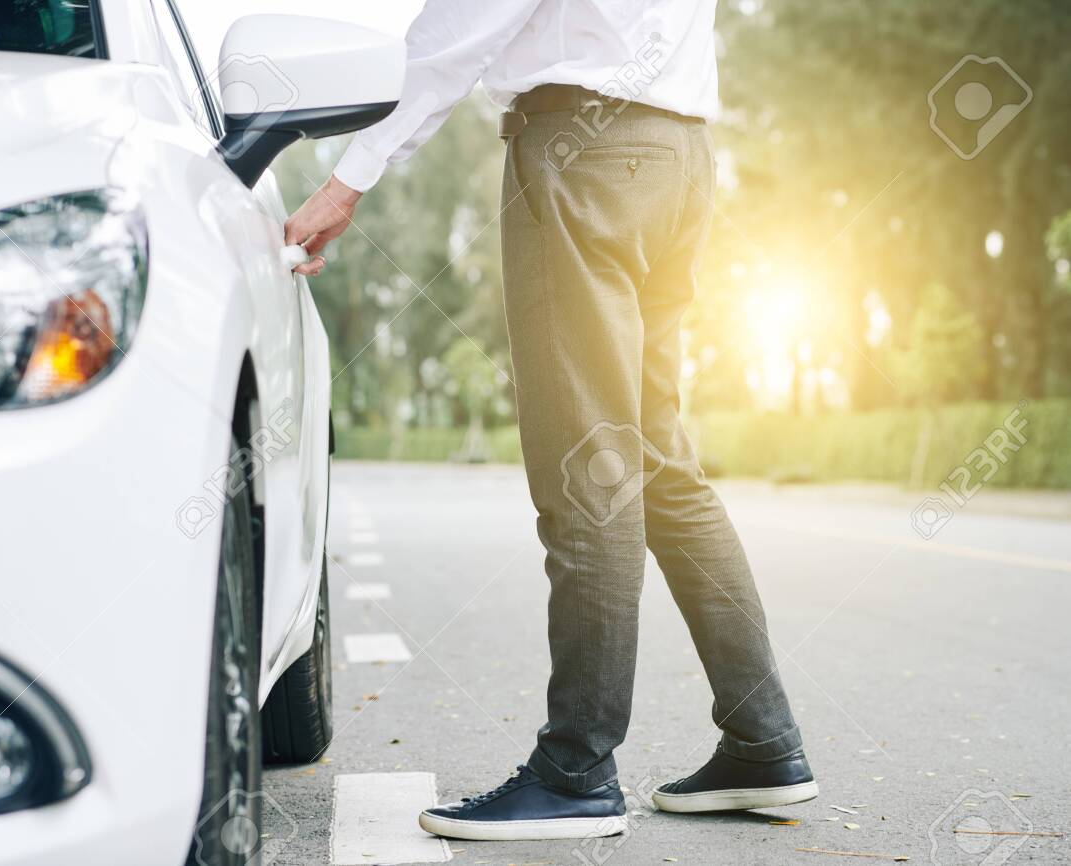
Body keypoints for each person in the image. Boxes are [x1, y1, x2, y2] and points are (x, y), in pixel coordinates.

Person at [284, 0, 818, 842]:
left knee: (589, 460)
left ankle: (576, 772)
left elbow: (455, 34)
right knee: (658, 461)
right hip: (679, 156)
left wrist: (348, 176)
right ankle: (765, 742)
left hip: (584, 152)